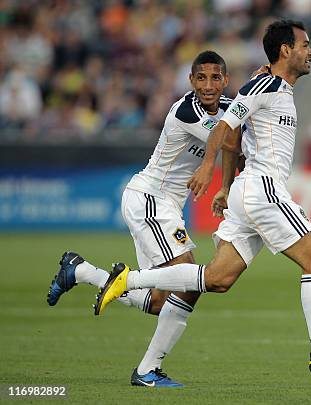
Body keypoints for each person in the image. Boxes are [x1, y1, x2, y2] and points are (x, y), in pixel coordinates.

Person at [94, 19, 311, 378]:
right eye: (304, 45)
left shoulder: (273, 85)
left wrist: (224, 186)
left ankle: (128, 281)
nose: (310, 51)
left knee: (218, 279)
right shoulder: (265, 85)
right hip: (263, 189)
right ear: (286, 50)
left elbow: (235, 134)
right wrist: (207, 168)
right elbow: (224, 128)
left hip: (245, 192)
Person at [47, 51, 238, 387]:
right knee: (190, 278)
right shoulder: (186, 109)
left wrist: (225, 186)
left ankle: (81, 271)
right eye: (201, 78)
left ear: (225, 80)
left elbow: (236, 142)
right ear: (192, 81)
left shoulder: (226, 110)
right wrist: (212, 162)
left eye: (215, 78)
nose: (208, 85)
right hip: (150, 200)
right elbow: (221, 138)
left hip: (162, 205)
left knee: (161, 300)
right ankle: (147, 370)